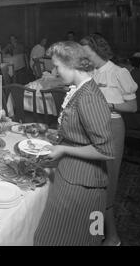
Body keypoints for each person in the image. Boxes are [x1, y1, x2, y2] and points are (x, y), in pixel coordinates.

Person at [34, 41, 114, 246]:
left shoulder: (88, 97)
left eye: (58, 66)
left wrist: (63, 148)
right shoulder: (79, 89)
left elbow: (105, 150)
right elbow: (79, 133)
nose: (55, 71)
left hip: (81, 183)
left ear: (71, 65)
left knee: (54, 239)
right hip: (71, 175)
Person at [80, 33, 138, 246]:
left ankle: (112, 238)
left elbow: (132, 106)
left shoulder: (118, 73)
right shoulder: (91, 72)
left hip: (111, 128)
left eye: (86, 53)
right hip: (91, 127)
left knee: (107, 184)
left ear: (98, 50)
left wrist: (110, 105)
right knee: (93, 184)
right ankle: (95, 234)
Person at [115, 57, 140, 131]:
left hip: (138, 119)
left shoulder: (136, 78)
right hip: (138, 115)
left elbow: (138, 106)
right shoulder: (135, 74)